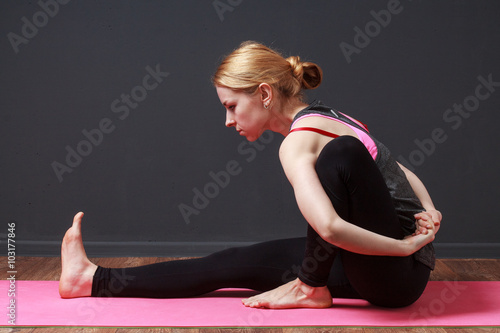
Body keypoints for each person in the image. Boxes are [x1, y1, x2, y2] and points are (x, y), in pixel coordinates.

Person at [59, 41, 441, 309]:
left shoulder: (298, 141)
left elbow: (328, 227)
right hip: (390, 261)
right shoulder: (330, 117)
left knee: (341, 154)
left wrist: (407, 246)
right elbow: (399, 168)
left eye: (231, 106)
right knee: (233, 262)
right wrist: (429, 208)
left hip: (395, 276)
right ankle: (91, 279)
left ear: (263, 93)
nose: (228, 120)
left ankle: (310, 289)